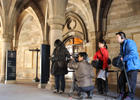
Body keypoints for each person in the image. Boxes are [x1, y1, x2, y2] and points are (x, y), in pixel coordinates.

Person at [115, 31, 140, 100]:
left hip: (133, 66)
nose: (116, 39)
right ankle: (122, 93)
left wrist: (123, 58)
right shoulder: (122, 45)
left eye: (117, 37)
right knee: (121, 80)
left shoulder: (129, 42)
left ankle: (130, 96)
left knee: (131, 82)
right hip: (126, 66)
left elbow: (133, 53)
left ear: (122, 37)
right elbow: (122, 55)